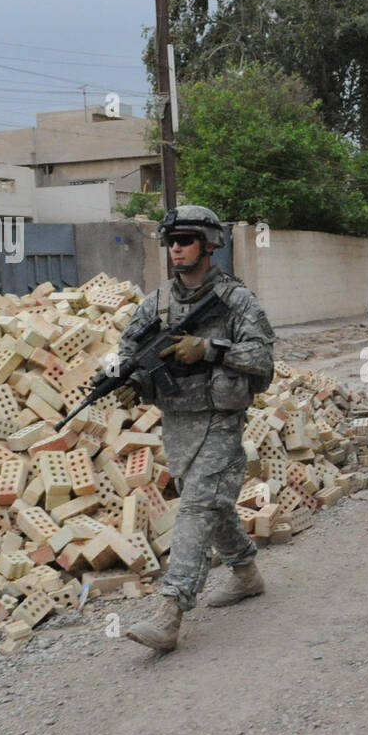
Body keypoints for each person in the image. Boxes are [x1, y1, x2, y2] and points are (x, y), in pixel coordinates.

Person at [116, 205, 276, 652]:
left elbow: (263, 360)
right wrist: (123, 376)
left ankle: (170, 611)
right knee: (206, 503)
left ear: (209, 244)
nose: (176, 248)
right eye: (170, 241)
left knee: (196, 507)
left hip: (221, 417)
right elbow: (126, 347)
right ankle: (246, 573)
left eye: (185, 240)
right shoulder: (159, 302)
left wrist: (209, 349)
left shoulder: (236, 300)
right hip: (178, 419)